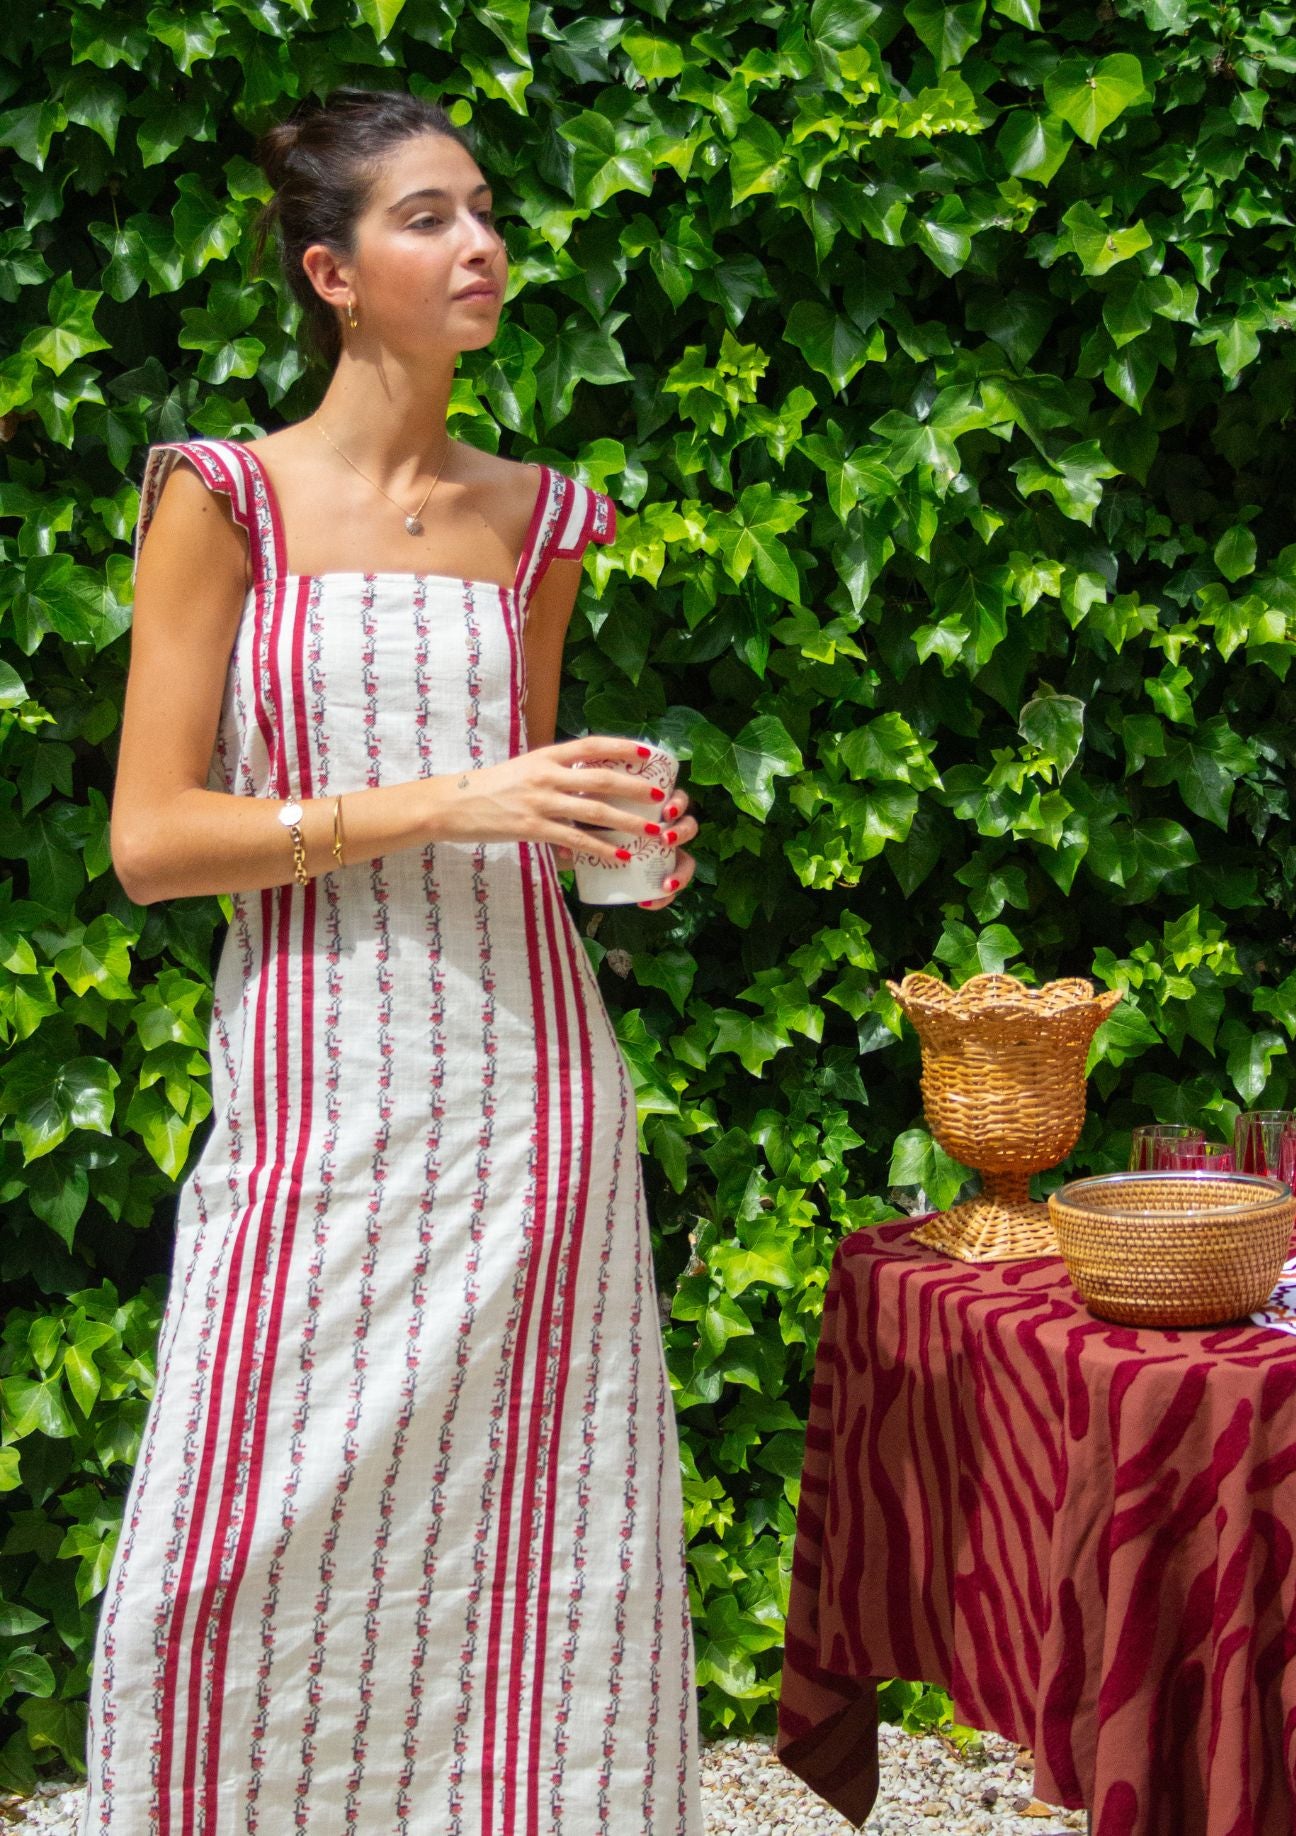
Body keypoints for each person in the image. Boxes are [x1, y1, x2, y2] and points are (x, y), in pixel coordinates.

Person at [84, 87, 704, 1836]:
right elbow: (151, 842)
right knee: (211, 1559)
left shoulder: (540, 519)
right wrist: (451, 798)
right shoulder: (224, 499)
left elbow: (528, 796)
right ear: (331, 273)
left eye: (484, 211)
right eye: (427, 217)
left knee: (544, 1553)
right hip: (318, 1100)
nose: (479, 244)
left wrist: (608, 836)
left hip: (535, 1105)